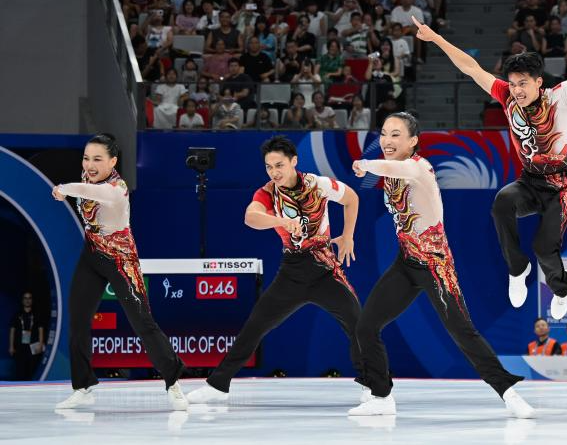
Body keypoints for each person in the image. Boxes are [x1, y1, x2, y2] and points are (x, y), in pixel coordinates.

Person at [415, 15, 567, 320]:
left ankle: (562, 290)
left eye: (523, 84)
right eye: (513, 84)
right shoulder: (506, 97)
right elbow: (471, 68)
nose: (517, 90)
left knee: (544, 247)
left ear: (539, 82)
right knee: (502, 203)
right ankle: (517, 270)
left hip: (561, 188)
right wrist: (436, 38)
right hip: (529, 181)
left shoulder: (559, 97)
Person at [349, 113, 534, 418]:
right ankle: (381, 396)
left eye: (396, 134)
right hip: (406, 261)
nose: (387, 140)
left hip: (436, 267)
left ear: (413, 141)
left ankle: (509, 393)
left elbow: (398, 168)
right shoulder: (391, 171)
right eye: (383, 133)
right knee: (366, 326)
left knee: (463, 333)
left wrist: (366, 164)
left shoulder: (419, 167)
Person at [186, 136, 364, 405]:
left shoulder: (319, 184)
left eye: (279, 165)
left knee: (359, 326)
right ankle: (217, 384)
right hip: (292, 273)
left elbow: (351, 198)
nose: (274, 172)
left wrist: (348, 236)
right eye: (269, 167)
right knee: (254, 327)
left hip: (326, 270)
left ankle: (373, 385)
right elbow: (250, 217)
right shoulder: (267, 193)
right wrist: (279, 220)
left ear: (294, 161)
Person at [50, 134, 187, 410]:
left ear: (112, 162)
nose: (90, 164)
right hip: (92, 255)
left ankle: (173, 382)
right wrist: (68, 188)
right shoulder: (88, 177)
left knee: (142, 322)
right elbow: (86, 191)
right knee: (78, 319)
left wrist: (63, 188)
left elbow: (88, 192)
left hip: (121, 260)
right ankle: (83, 386)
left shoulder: (117, 188)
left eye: (97, 159)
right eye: (86, 158)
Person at [8, 292, 45, 381]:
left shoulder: (37, 314)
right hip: (20, 347)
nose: (27, 300)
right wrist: (11, 346)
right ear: (22, 300)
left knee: (31, 371)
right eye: (25, 298)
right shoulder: (17, 315)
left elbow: (41, 329)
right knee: (20, 371)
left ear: (32, 300)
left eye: (29, 298)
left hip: (33, 347)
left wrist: (41, 344)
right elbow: (12, 331)